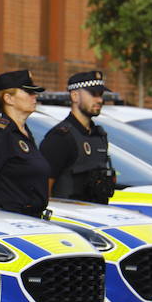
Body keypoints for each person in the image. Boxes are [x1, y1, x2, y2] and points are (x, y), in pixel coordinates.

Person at [0, 69, 49, 215]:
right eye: (28, 93)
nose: (35, 96)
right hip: (9, 220)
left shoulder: (25, 133)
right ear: (8, 99)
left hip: (30, 220)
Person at [40, 69, 117, 203]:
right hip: (68, 218)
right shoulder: (60, 137)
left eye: (101, 94)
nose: (99, 100)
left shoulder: (99, 135)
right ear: (75, 96)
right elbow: (44, 188)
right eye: (93, 94)